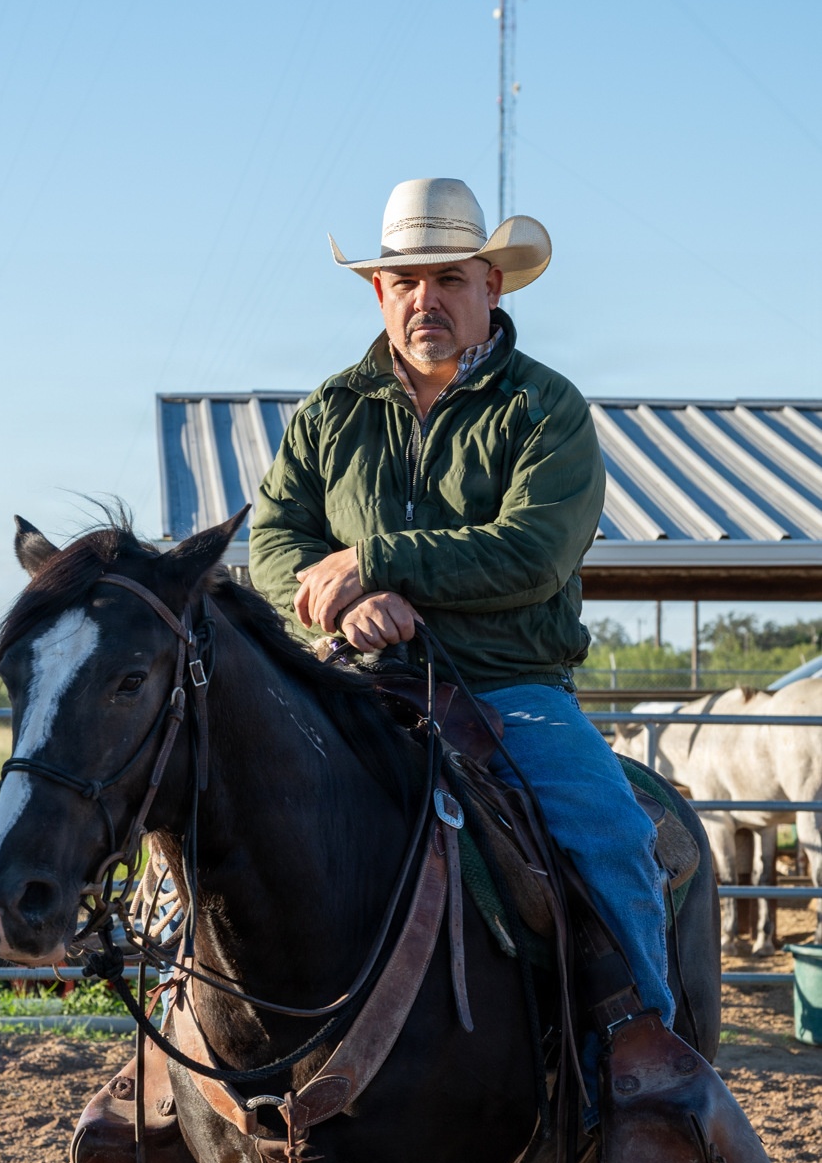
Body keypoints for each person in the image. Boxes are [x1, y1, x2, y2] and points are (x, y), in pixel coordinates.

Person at [248, 175, 675, 1026]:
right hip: (350, 682)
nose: (425, 300)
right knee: (208, 816)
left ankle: (648, 1070)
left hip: (507, 688)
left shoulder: (543, 408)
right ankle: (171, 1068)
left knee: (614, 839)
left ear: (493, 285)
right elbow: (273, 543)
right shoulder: (331, 411)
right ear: (379, 292)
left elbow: (533, 554)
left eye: (448, 279)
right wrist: (336, 605)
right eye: (406, 281)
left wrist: (374, 562)